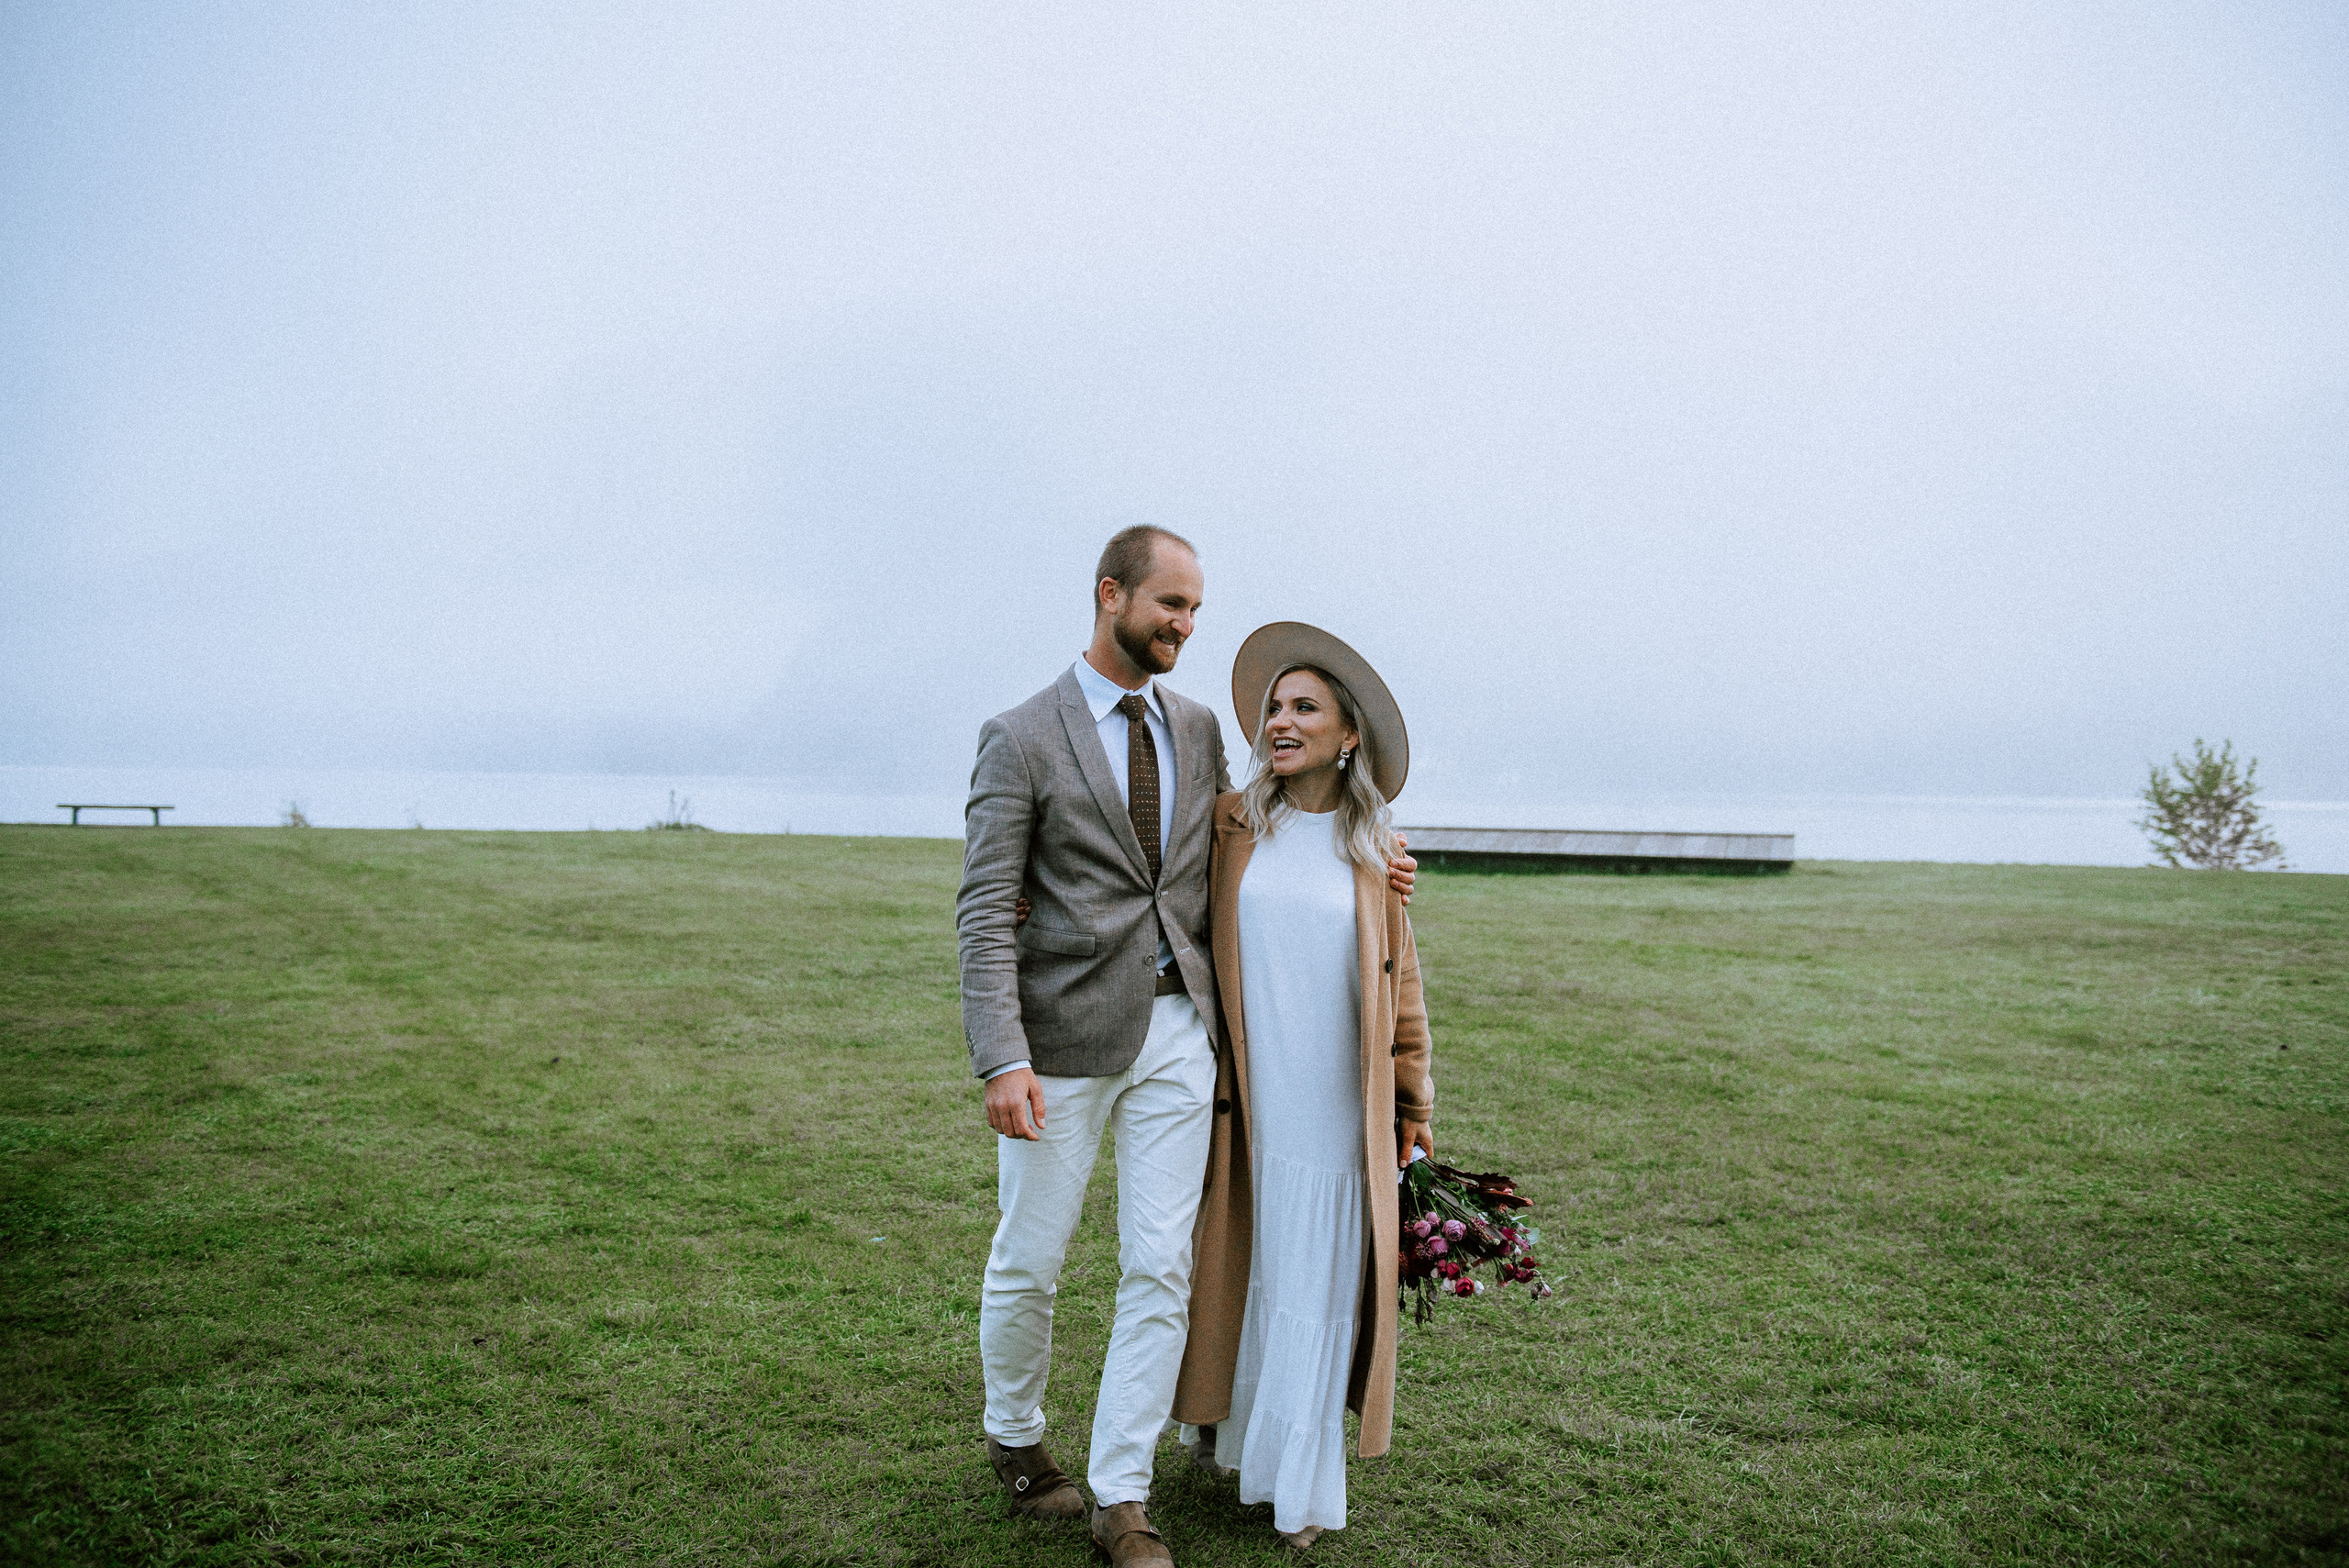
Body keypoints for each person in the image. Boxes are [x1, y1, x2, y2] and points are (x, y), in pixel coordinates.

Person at [957, 535, 1413, 1568]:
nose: (1184, 626)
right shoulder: (1020, 735)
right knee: (1030, 1256)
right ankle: (1017, 1437)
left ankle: (1124, 1492)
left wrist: (1376, 865)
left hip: (1180, 1034)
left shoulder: (1201, 728)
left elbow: (1253, 838)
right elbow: (986, 907)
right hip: (1062, 1044)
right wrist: (1002, 1056)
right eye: (1169, 603)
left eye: (1196, 609)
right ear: (1110, 594)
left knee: (1158, 1265)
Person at [1172, 621, 1434, 1552]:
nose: (1281, 721)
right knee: (1255, 1268)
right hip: (1250, 1103)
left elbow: (1401, 987)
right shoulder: (1231, 823)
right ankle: (1242, 1440)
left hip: (1336, 1112)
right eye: (1274, 708)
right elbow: (1153, 897)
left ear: (1346, 733)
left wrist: (1414, 1106)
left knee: (1318, 1284)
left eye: (1303, 707)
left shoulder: (1377, 852)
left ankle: (1304, 1481)